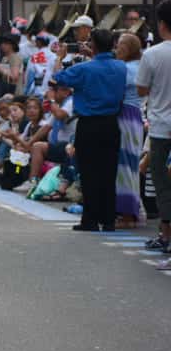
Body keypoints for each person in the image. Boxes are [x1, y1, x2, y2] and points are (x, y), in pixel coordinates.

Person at [53, 28, 126, 232]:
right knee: (108, 172)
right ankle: (109, 219)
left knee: (89, 173)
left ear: (92, 45)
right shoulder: (121, 67)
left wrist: (60, 57)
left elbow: (59, 78)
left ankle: (90, 220)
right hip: (112, 123)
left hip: (89, 124)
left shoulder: (84, 68)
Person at [138, 0, 171, 263]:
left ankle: (167, 237)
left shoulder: (152, 54)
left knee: (162, 186)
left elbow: (141, 89)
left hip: (161, 127)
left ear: (161, 25)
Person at [114, 33, 144, 227]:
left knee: (124, 165)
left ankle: (128, 215)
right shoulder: (137, 66)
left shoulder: (127, 69)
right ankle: (132, 210)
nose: (118, 48)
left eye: (122, 45)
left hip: (126, 115)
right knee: (129, 165)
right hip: (134, 117)